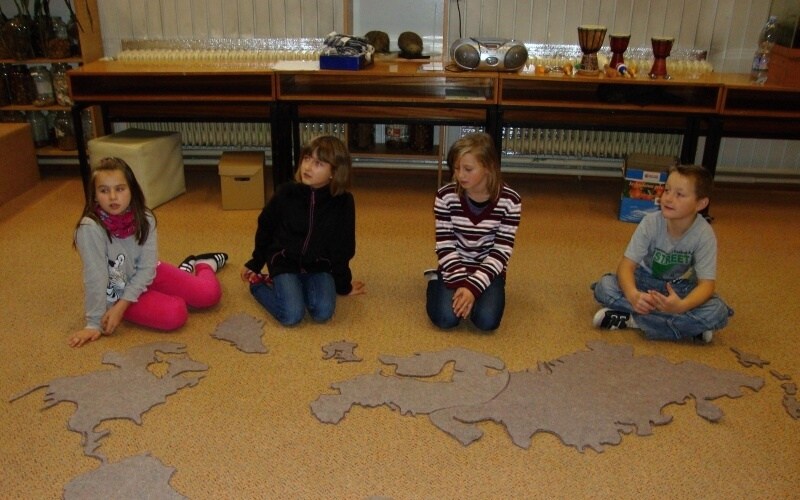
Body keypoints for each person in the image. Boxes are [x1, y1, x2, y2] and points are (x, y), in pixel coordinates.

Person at [70, 157, 228, 347]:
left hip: (147, 273)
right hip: (118, 290)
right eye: (104, 190)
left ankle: (204, 264)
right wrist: (95, 322)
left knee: (209, 294)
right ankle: (183, 272)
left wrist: (126, 304)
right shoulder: (90, 228)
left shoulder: (145, 218)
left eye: (120, 189)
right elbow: (95, 277)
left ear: (131, 190)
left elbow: (147, 267)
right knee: (175, 313)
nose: (112, 197)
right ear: (94, 195)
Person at [591, 164, 733, 343]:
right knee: (604, 286)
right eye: (667, 190)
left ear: (701, 204)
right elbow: (626, 266)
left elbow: (706, 285)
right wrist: (634, 296)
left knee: (718, 310)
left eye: (679, 194)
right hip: (644, 282)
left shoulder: (704, 234)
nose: (668, 198)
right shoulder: (650, 223)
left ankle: (632, 320)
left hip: (680, 289)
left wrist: (681, 306)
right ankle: (687, 328)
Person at [241, 135, 365, 326]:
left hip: (319, 265)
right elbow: (266, 226)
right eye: (307, 159)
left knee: (323, 312)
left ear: (334, 172)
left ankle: (297, 288)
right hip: (284, 261)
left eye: (318, 163)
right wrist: (256, 262)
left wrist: (343, 285)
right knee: (291, 315)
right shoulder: (286, 193)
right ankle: (259, 284)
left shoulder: (344, 202)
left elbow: (343, 246)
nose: (307, 167)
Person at [426, 132, 522, 331]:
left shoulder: (511, 201)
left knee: (487, 322)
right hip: (454, 264)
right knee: (445, 319)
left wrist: (473, 287)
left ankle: (475, 293)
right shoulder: (445, 197)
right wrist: (462, 283)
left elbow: (501, 251)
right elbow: (445, 245)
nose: (460, 175)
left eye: (468, 169)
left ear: (488, 167)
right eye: (456, 168)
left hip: (489, 269)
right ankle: (435, 281)